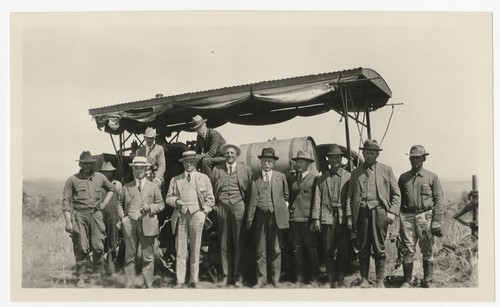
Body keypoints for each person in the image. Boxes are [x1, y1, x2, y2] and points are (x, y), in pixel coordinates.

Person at [347, 139, 401, 288]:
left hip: (380, 212)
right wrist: (350, 216)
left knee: (379, 246)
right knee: (363, 246)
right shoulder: (355, 173)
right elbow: (349, 197)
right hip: (361, 213)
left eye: (372, 153)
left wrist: (392, 212)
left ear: (377, 154)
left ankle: (379, 280)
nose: (369, 155)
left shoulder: (386, 170)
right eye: (366, 153)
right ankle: (364, 278)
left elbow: (396, 194)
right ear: (363, 153)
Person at [62, 151, 117, 287]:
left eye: (90, 164)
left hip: (96, 215)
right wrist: (68, 221)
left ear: (93, 164)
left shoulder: (99, 177)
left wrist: (103, 204)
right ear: (80, 164)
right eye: (85, 163)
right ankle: (80, 277)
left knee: (98, 246)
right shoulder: (72, 180)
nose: (87, 166)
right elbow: (66, 201)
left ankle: (97, 276)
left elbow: (112, 189)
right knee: (81, 246)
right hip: (79, 215)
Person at [166, 150, 215, 288]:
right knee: (180, 250)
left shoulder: (203, 178)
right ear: (183, 164)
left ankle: (194, 280)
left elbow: (210, 199)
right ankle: (180, 281)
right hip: (181, 216)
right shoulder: (175, 180)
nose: (189, 164)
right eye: (186, 162)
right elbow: (168, 197)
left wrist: (203, 213)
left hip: (196, 215)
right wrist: (175, 201)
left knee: (195, 249)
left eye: (191, 161)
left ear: (195, 162)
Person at [398, 145, 444, 288]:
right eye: (412, 157)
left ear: (424, 158)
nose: (415, 160)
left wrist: (436, 221)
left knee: (428, 248)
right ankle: (407, 280)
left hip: (425, 217)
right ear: (409, 159)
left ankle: (428, 280)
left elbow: (439, 200)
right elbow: (398, 199)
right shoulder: (403, 178)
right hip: (407, 217)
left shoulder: (432, 177)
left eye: (418, 157)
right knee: (407, 248)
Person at [117, 156, 165, 288]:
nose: (139, 171)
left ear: (146, 169)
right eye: (136, 168)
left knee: (148, 257)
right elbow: (119, 204)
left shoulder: (153, 186)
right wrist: (123, 219)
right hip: (130, 225)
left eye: (141, 168)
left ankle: (147, 285)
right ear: (133, 170)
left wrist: (150, 207)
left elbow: (161, 204)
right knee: (130, 256)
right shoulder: (127, 187)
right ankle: (130, 284)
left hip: (148, 224)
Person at [210, 142, 253, 287]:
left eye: (232, 153)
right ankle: (226, 276)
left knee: (239, 242)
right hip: (221, 207)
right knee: (224, 243)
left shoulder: (245, 170)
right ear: (224, 155)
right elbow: (211, 190)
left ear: (236, 155)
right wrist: (215, 206)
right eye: (227, 153)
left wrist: (245, 206)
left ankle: (238, 276)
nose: (229, 155)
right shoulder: (217, 170)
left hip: (239, 206)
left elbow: (250, 192)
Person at [246, 147, 289, 288]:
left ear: (274, 163)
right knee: (260, 250)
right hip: (260, 216)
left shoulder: (280, 177)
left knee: (276, 249)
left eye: (269, 161)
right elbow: (249, 197)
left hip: (276, 216)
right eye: (264, 161)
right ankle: (261, 280)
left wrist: (282, 208)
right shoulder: (255, 177)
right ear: (261, 162)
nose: (266, 164)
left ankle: (275, 280)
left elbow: (286, 195)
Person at [311, 144, 352, 288]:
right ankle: (330, 278)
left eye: (337, 157)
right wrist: (316, 218)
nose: (334, 160)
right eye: (332, 157)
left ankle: (340, 278)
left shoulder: (348, 177)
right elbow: (317, 198)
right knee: (328, 250)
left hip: (342, 218)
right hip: (327, 218)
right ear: (328, 160)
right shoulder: (322, 178)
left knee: (343, 250)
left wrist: (349, 217)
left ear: (341, 159)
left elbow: (350, 198)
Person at [287, 151, 319, 287]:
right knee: (297, 249)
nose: (298, 164)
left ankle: (314, 278)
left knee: (311, 248)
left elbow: (317, 200)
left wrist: (314, 218)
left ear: (308, 164)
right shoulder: (292, 179)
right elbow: (287, 197)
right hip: (294, 219)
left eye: (302, 162)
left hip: (308, 220)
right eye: (297, 162)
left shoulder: (315, 178)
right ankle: (299, 278)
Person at [98, 161, 123, 276]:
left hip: (113, 216)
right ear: (102, 173)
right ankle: (100, 266)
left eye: (110, 172)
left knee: (113, 240)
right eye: (105, 172)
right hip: (101, 216)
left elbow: (119, 202)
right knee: (101, 240)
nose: (108, 174)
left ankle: (111, 266)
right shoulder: (98, 184)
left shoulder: (117, 184)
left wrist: (121, 218)